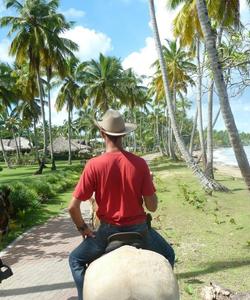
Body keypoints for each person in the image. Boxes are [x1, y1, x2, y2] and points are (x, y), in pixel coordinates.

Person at [68, 109, 175, 300]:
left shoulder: (93, 165)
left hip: (107, 232)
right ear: (124, 135)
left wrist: (83, 228)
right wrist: (150, 187)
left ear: (102, 133)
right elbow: (152, 207)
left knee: (75, 259)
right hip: (140, 230)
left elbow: (72, 207)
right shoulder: (140, 164)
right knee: (168, 255)